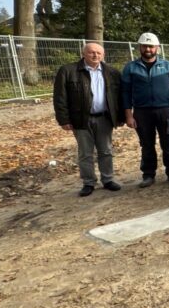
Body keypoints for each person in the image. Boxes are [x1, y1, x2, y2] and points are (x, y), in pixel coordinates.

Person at [53, 41, 124, 196]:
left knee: (106, 150)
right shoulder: (68, 71)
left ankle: (108, 179)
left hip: (104, 118)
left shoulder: (112, 72)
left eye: (99, 53)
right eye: (91, 52)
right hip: (81, 119)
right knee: (85, 153)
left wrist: (120, 117)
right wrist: (63, 119)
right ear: (83, 53)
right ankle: (88, 182)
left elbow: (118, 97)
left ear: (103, 55)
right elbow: (60, 97)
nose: (95, 55)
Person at [121, 32, 169, 187]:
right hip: (142, 112)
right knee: (146, 144)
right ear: (140, 48)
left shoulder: (168, 66)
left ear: (157, 48)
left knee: (168, 141)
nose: (148, 49)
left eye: (151, 46)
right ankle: (148, 174)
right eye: (144, 46)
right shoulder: (130, 68)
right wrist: (129, 115)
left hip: (165, 110)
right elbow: (125, 93)